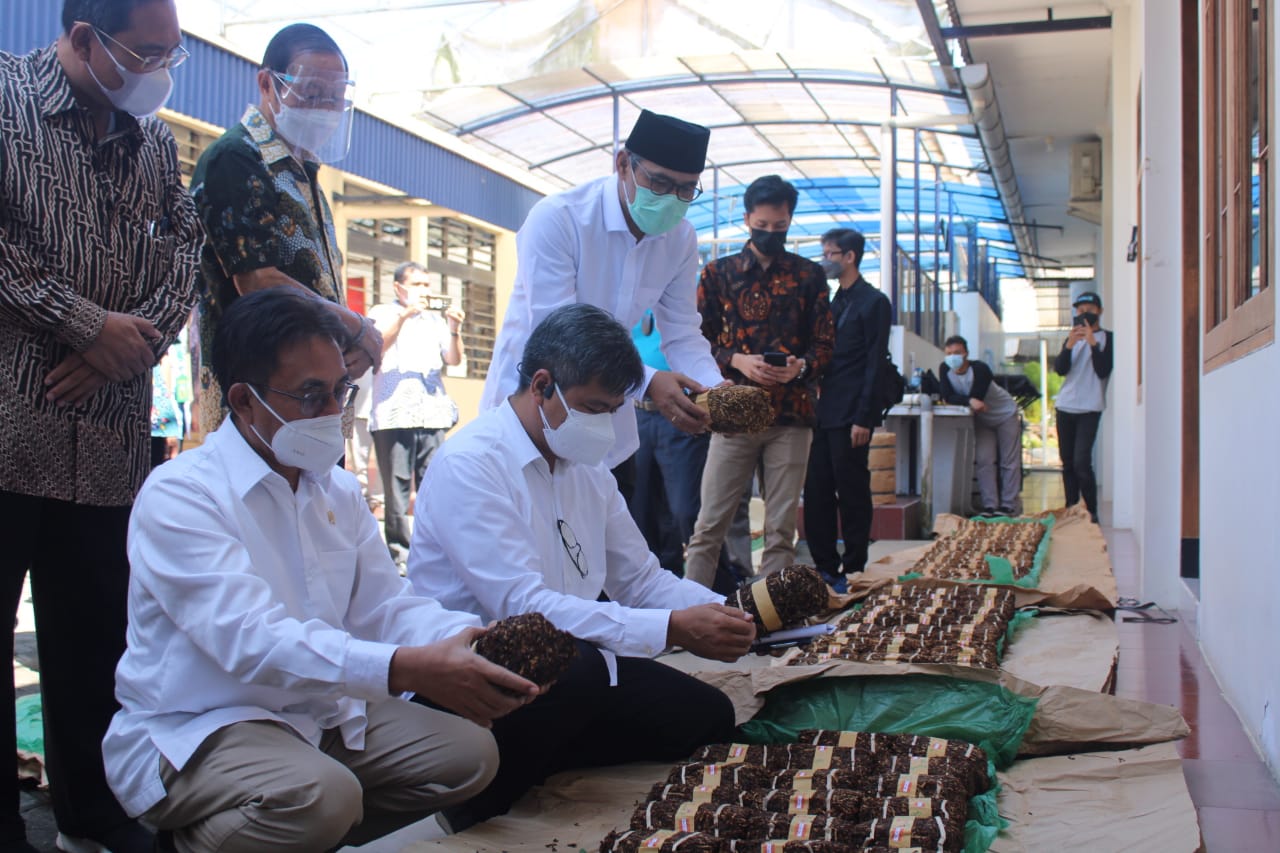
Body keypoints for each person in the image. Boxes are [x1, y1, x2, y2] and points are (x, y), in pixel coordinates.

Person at [104, 287, 538, 852]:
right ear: (244, 401)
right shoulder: (182, 494)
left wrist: (476, 645)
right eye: (311, 396)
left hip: (317, 713)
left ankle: (295, 832)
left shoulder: (335, 488)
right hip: (202, 724)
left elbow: (384, 606)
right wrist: (405, 668)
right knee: (325, 797)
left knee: (470, 757)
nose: (334, 413)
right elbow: (251, 640)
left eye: (341, 390)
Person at [409, 304, 754, 830]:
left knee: (708, 716)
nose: (604, 426)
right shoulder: (471, 464)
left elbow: (640, 579)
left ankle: (547, 753)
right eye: (594, 408)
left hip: (576, 667)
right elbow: (523, 606)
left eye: (614, 409)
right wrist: (671, 628)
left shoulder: (586, 467)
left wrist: (738, 612)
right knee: (578, 667)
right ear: (541, 385)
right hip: (477, 674)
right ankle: (473, 802)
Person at [0, 1, 202, 849]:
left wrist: (130, 344)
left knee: (97, 635)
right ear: (84, 39)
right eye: (148, 53)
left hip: (110, 434)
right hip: (12, 423)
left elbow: (186, 250)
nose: (160, 72)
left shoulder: (151, 142)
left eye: (172, 55)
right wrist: (86, 325)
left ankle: (96, 809)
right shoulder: (7, 101)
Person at [479, 109, 724, 471]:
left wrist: (716, 390)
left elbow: (683, 332)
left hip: (608, 428)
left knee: (604, 504)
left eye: (686, 190)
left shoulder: (680, 239)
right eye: (659, 183)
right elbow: (559, 333)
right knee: (528, 502)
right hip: (534, 412)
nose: (672, 198)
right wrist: (648, 381)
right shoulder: (560, 218)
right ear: (623, 164)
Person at [191, 22, 381, 431]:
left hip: (316, 396)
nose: (323, 108)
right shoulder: (237, 158)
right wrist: (356, 326)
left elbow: (317, 286)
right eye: (311, 93)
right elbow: (258, 281)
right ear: (267, 83)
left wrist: (352, 344)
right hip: (264, 398)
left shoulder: (302, 168)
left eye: (334, 98)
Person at [683, 176, 834, 588]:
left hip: (792, 416)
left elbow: (825, 344)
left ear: (790, 221)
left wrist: (799, 367)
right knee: (709, 524)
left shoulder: (809, 276)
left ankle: (772, 612)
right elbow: (693, 340)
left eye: (780, 226)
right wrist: (737, 361)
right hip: (733, 416)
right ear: (748, 218)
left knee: (781, 529)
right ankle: (690, 608)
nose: (770, 233)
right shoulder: (718, 274)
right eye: (763, 225)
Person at [804, 228, 892, 583]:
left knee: (852, 491)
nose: (824, 260)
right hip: (822, 413)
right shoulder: (832, 302)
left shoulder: (874, 302)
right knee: (817, 491)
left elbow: (875, 363)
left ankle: (854, 565)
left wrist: (864, 418)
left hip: (851, 414)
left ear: (850, 256)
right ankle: (824, 565)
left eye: (830, 254)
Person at [368, 261, 465, 568]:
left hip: (432, 413)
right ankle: (400, 558)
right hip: (394, 414)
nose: (424, 290)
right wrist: (405, 315)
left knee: (434, 487)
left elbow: (453, 358)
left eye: (427, 284)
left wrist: (454, 329)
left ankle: (433, 554)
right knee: (396, 492)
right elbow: (376, 348)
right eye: (417, 284)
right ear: (399, 288)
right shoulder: (383, 313)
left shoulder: (435, 321)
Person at [939, 335, 1023, 516]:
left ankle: (1008, 504)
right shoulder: (945, 369)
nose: (953, 357)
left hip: (1005, 414)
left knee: (1009, 461)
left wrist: (968, 400)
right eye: (949, 353)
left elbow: (978, 396)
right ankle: (990, 505)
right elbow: (948, 396)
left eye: (957, 353)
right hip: (982, 419)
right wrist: (969, 400)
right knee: (984, 460)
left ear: (966, 354)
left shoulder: (980, 369)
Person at [1053, 291, 1113, 524]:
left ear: (1100, 311)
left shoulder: (1108, 338)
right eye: (1080, 310)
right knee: (1067, 462)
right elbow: (1060, 369)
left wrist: (1092, 342)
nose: (1085, 314)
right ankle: (1071, 508)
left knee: (1082, 461)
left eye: (1090, 309)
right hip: (1065, 406)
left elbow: (1103, 370)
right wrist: (1069, 345)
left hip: (1090, 408)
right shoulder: (1071, 339)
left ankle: (1091, 511)